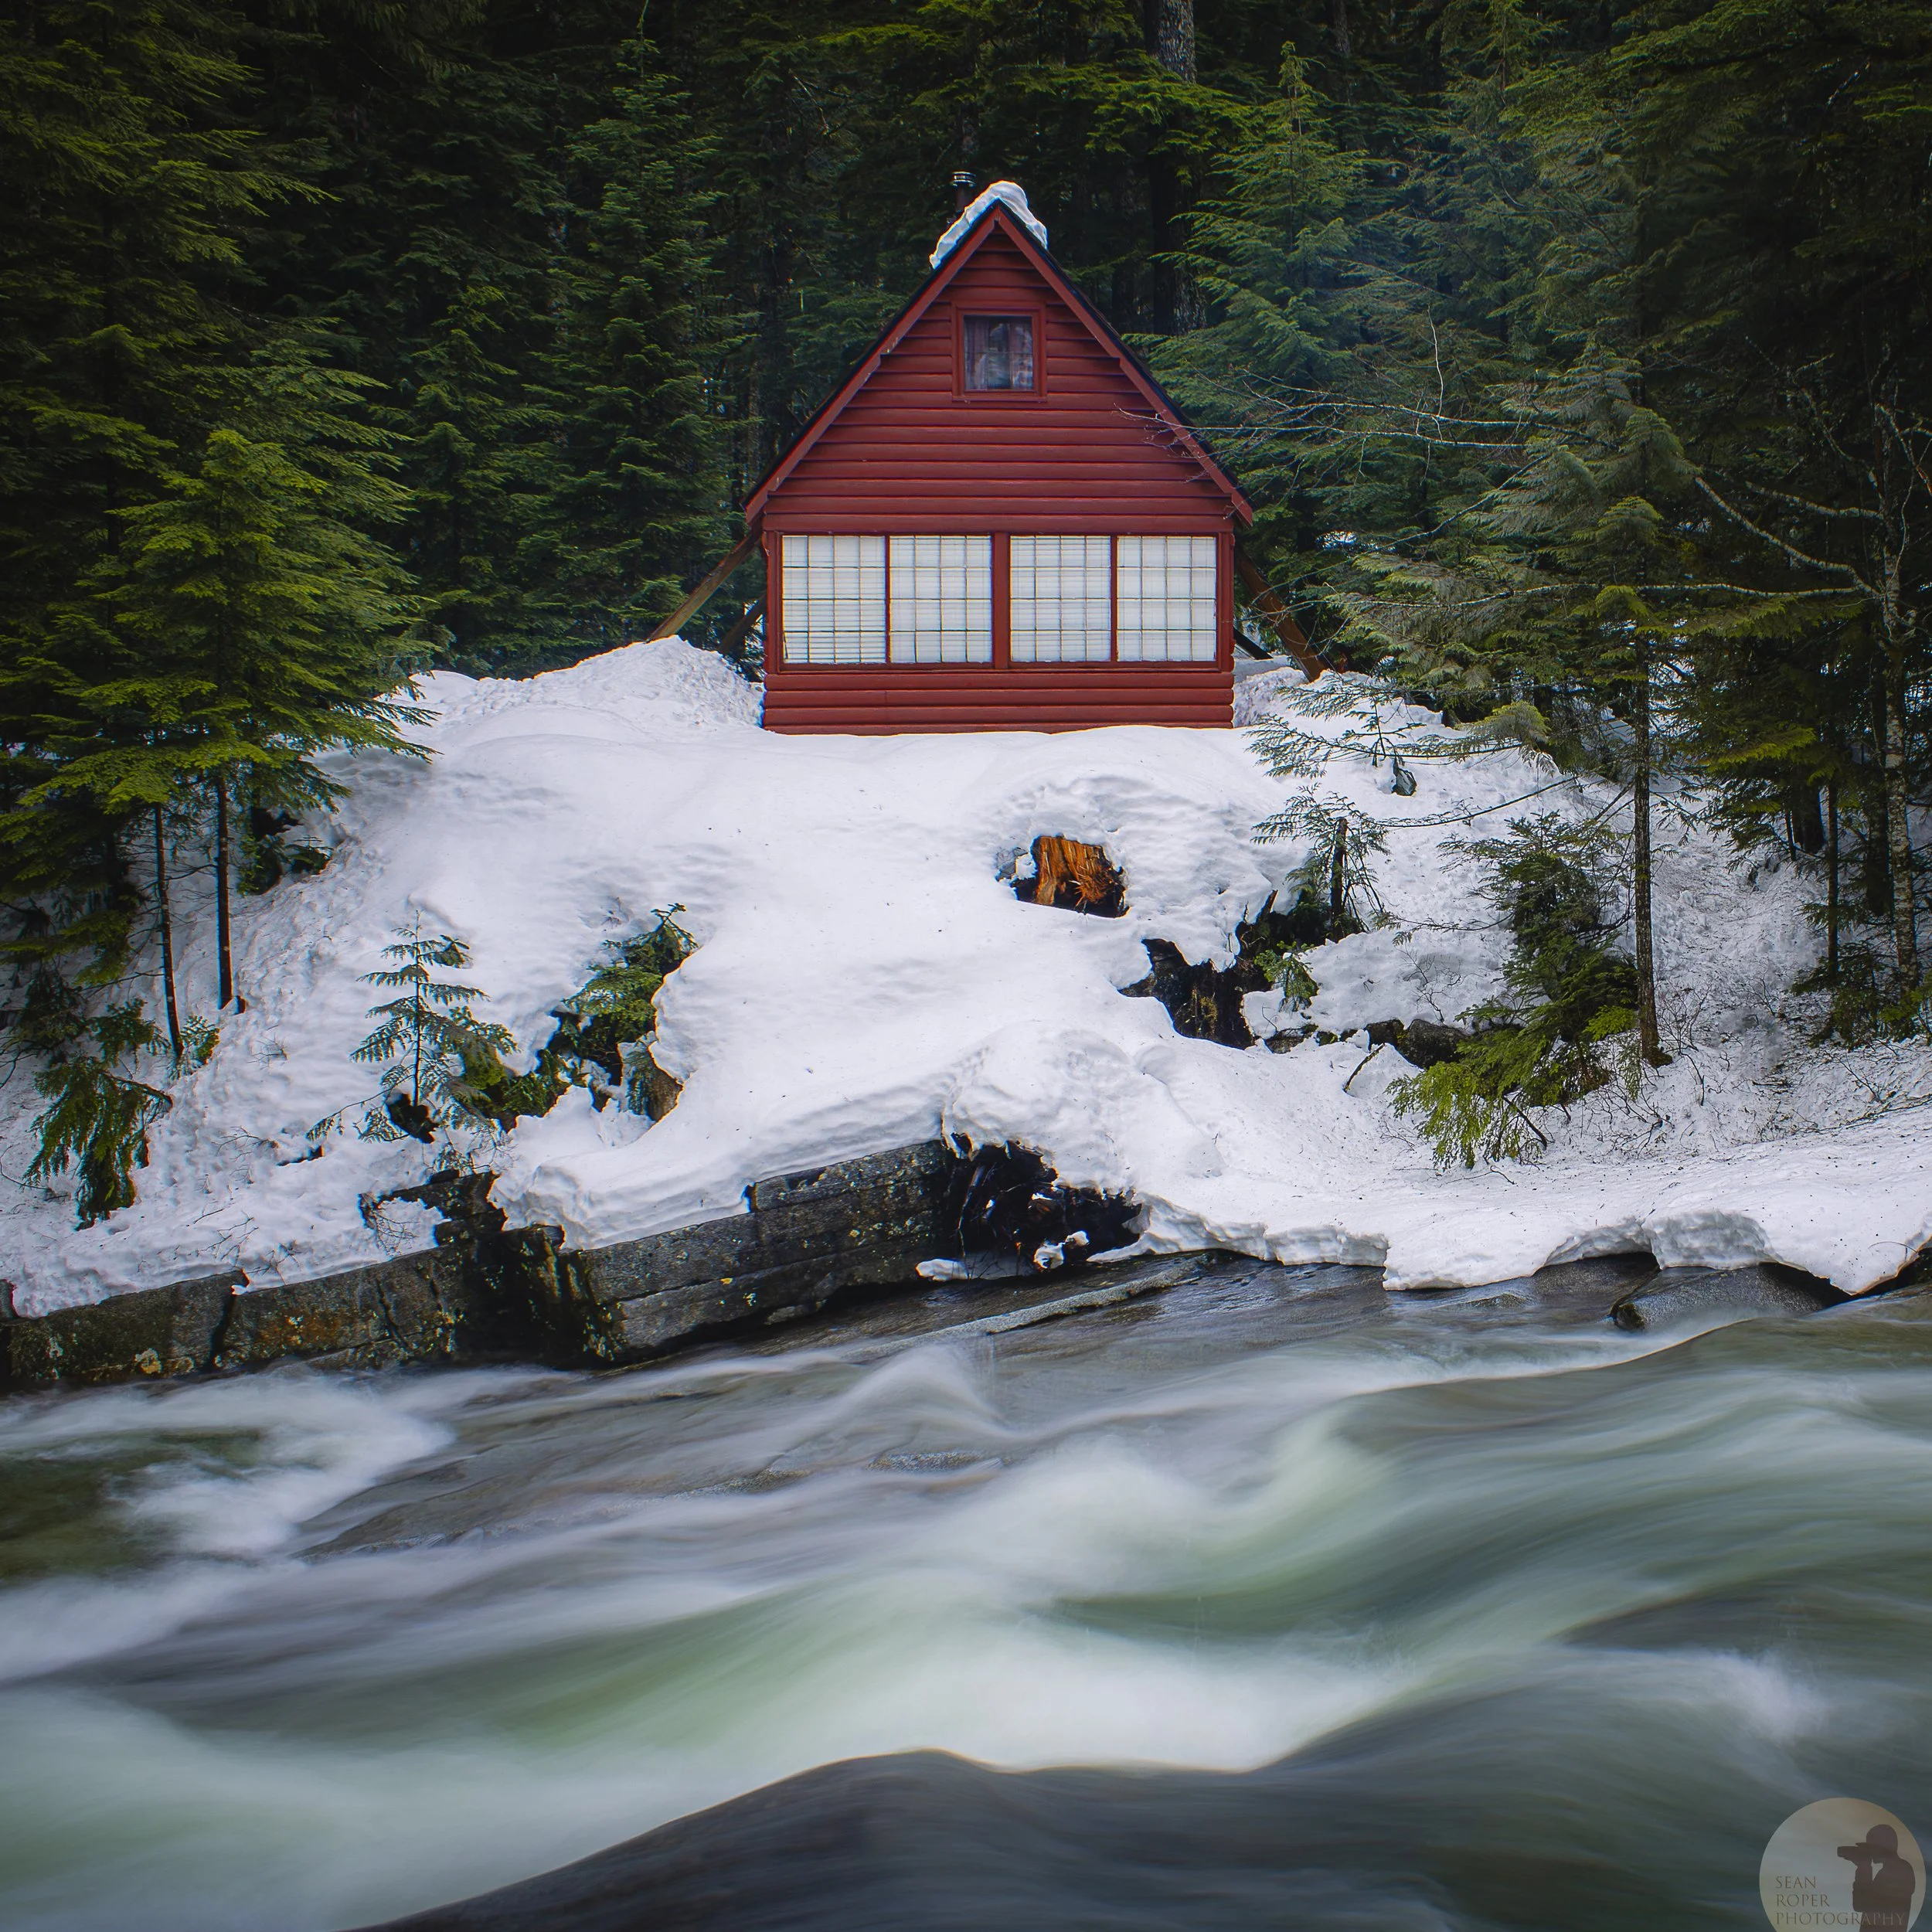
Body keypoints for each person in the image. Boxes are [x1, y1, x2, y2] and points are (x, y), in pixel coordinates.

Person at [1838, 1823, 1917, 1932]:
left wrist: (1864, 1868)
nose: (1869, 1852)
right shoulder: (1891, 1870)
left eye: (1871, 1848)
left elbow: (1860, 1904)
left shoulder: (1900, 1870)